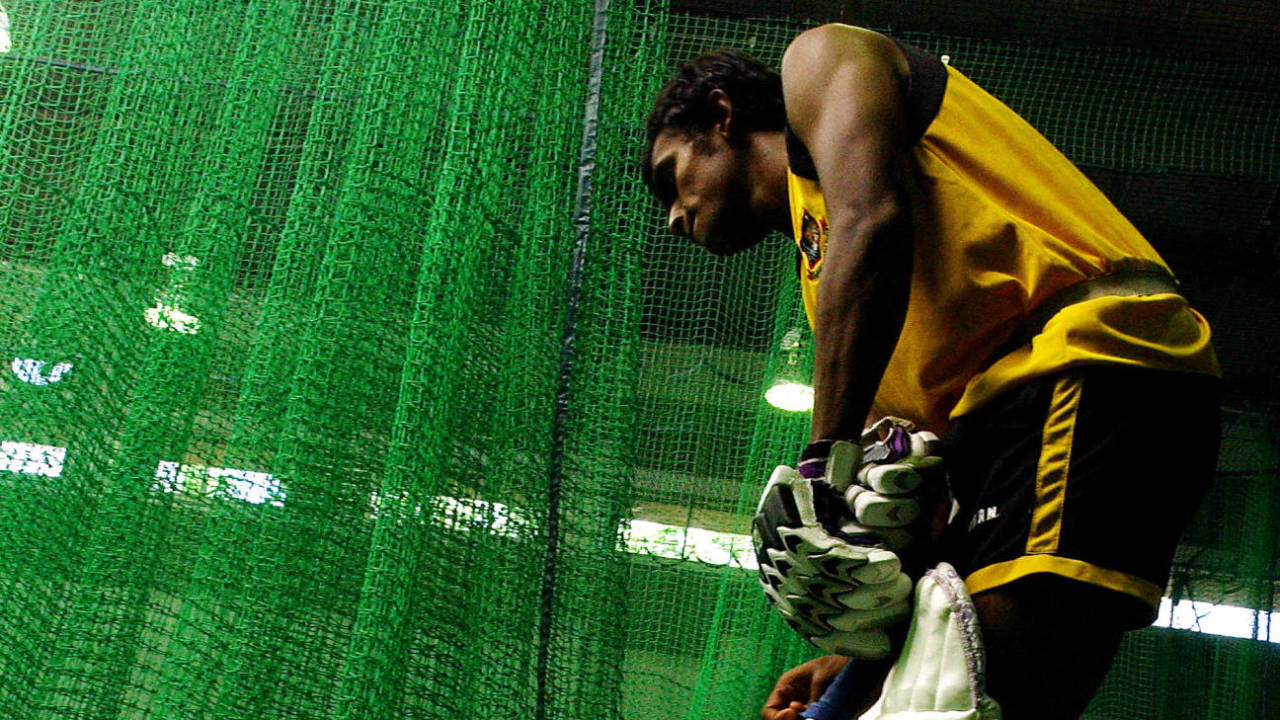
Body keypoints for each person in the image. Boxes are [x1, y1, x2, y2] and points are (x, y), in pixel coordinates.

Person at [642, 23, 1222, 720]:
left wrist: (825, 463)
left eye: (670, 178)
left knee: (964, 698)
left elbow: (873, 219)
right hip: (1013, 427)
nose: (674, 217)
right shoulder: (827, 278)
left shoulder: (822, 59)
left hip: (1086, 361)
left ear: (721, 115)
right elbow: (929, 483)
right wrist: (861, 662)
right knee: (920, 697)